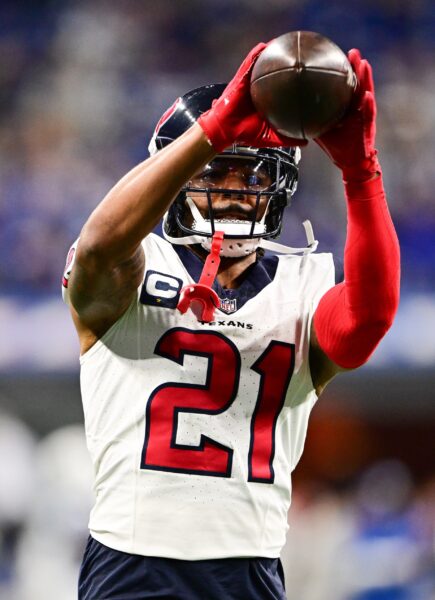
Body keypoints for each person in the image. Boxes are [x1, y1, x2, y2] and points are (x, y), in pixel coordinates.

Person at [62, 42, 400, 600]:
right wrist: (215, 129)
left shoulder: (302, 281)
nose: (239, 193)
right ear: (179, 168)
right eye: (220, 170)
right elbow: (99, 250)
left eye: (253, 176)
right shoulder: (137, 262)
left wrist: (361, 173)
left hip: (249, 569)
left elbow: (367, 324)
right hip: (130, 561)